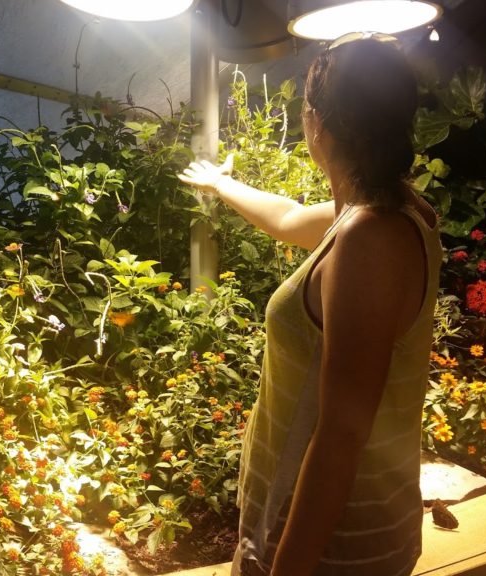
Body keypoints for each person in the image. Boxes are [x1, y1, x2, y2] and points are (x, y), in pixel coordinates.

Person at [178, 34, 442, 576]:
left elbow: (343, 433)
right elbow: (289, 216)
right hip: (313, 528)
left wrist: (288, 567)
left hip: (333, 548)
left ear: (316, 121)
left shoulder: (371, 240)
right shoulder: (377, 214)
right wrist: (222, 184)